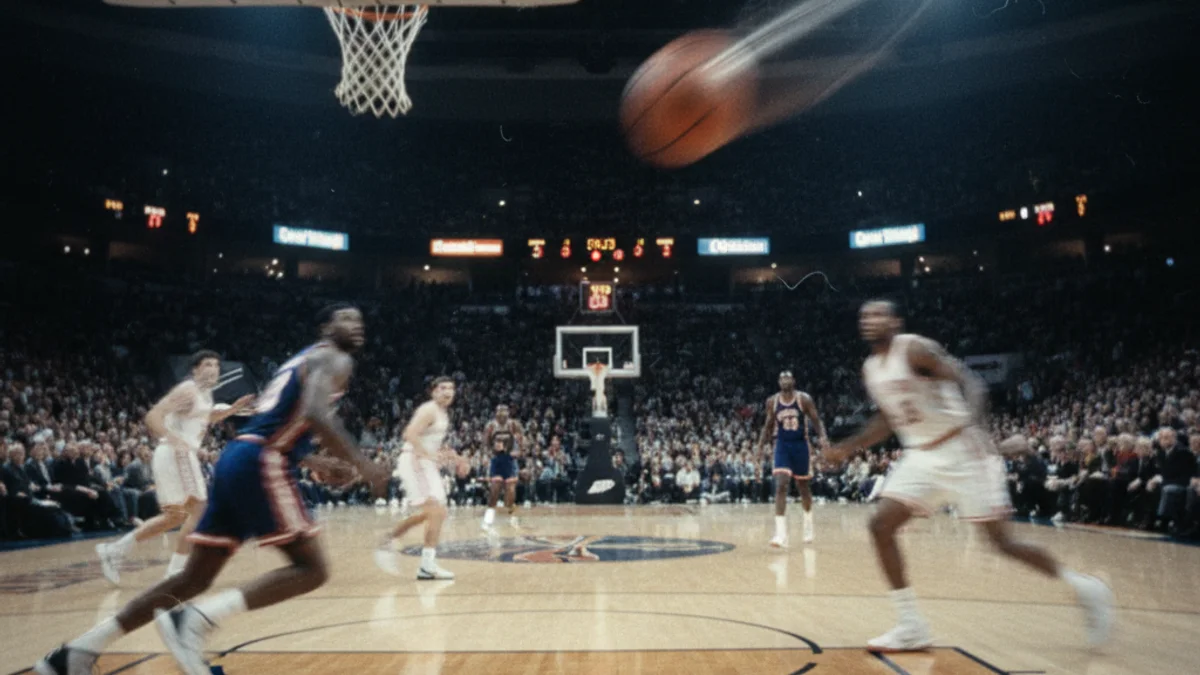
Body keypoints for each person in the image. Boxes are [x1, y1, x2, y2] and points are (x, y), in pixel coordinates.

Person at [35, 304, 389, 675]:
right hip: (261, 460)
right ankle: (194, 620)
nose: (356, 325)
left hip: (239, 458)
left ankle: (75, 652)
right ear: (325, 327)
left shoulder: (302, 359)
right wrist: (364, 465)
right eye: (345, 318)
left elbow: (269, 422)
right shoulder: (334, 358)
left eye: (360, 319)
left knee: (193, 578)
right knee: (311, 569)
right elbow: (316, 414)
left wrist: (314, 461)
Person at [825, 300, 1113, 653]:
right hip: (920, 455)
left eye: (879, 314)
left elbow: (970, 381)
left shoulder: (915, 349)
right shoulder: (871, 368)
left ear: (895, 321)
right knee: (880, 525)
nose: (870, 320)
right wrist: (847, 447)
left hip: (961, 448)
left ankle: (1085, 588)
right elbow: (887, 420)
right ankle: (911, 625)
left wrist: (974, 424)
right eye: (865, 316)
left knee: (1001, 543)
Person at [95, 350, 253, 584]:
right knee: (199, 511)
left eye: (216, 365)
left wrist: (230, 410)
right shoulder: (187, 389)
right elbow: (153, 415)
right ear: (195, 369)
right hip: (177, 453)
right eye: (207, 364)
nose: (213, 369)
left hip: (173, 455)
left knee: (175, 517)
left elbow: (205, 417)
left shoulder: (204, 394)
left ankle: (114, 550)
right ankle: (175, 573)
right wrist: (173, 438)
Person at [375, 376, 457, 580]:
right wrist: (427, 455)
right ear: (433, 392)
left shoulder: (442, 413)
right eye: (442, 388)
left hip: (425, 464)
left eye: (451, 388)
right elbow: (410, 434)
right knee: (436, 512)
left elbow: (430, 441)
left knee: (435, 513)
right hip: (415, 462)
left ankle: (389, 541)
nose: (447, 391)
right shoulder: (428, 409)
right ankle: (426, 565)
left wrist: (451, 456)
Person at [758, 370, 827, 548]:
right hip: (782, 445)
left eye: (788, 377)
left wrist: (823, 438)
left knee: (803, 488)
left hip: (800, 445)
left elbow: (816, 420)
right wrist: (759, 447)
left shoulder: (803, 399)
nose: (785, 380)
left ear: (794, 381)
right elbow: (767, 426)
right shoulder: (772, 402)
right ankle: (781, 534)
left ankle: (808, 523)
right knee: (781, 484)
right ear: (778, 382)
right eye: (782, 378)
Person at [482, 404, 524, 531]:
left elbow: (523, 442)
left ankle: (512, 514)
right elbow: (485, 444)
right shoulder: (490, 426)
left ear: (508, 414)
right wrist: (487, 454)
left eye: (504, 414)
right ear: (496, 414)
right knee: (495, 489)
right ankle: (488, 518)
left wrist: (519, 452)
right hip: (496, 460)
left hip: (510, 459)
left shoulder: (514, 425)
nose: (502, 416)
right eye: (499, 414)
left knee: (510, 490)